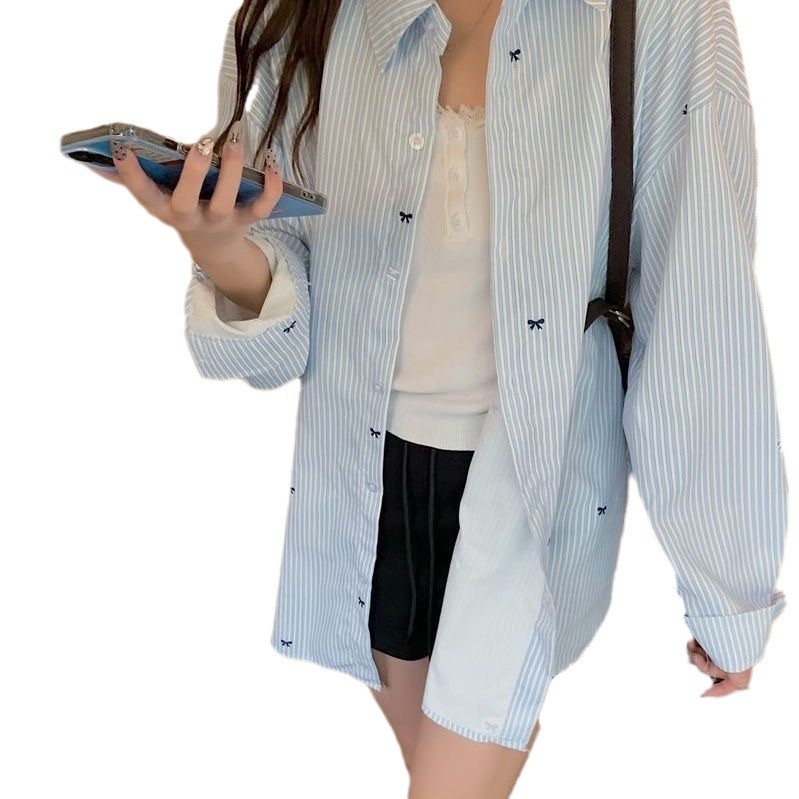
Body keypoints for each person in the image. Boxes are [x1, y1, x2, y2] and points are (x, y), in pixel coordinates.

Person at [88, 0, 788, 796]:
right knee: (435, 769)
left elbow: (698, 303)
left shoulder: (661, 15)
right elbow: (280, 336)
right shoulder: (310, 15)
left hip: (527, 490)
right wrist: (215, 245)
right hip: (363, 487)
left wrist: (726, 584)